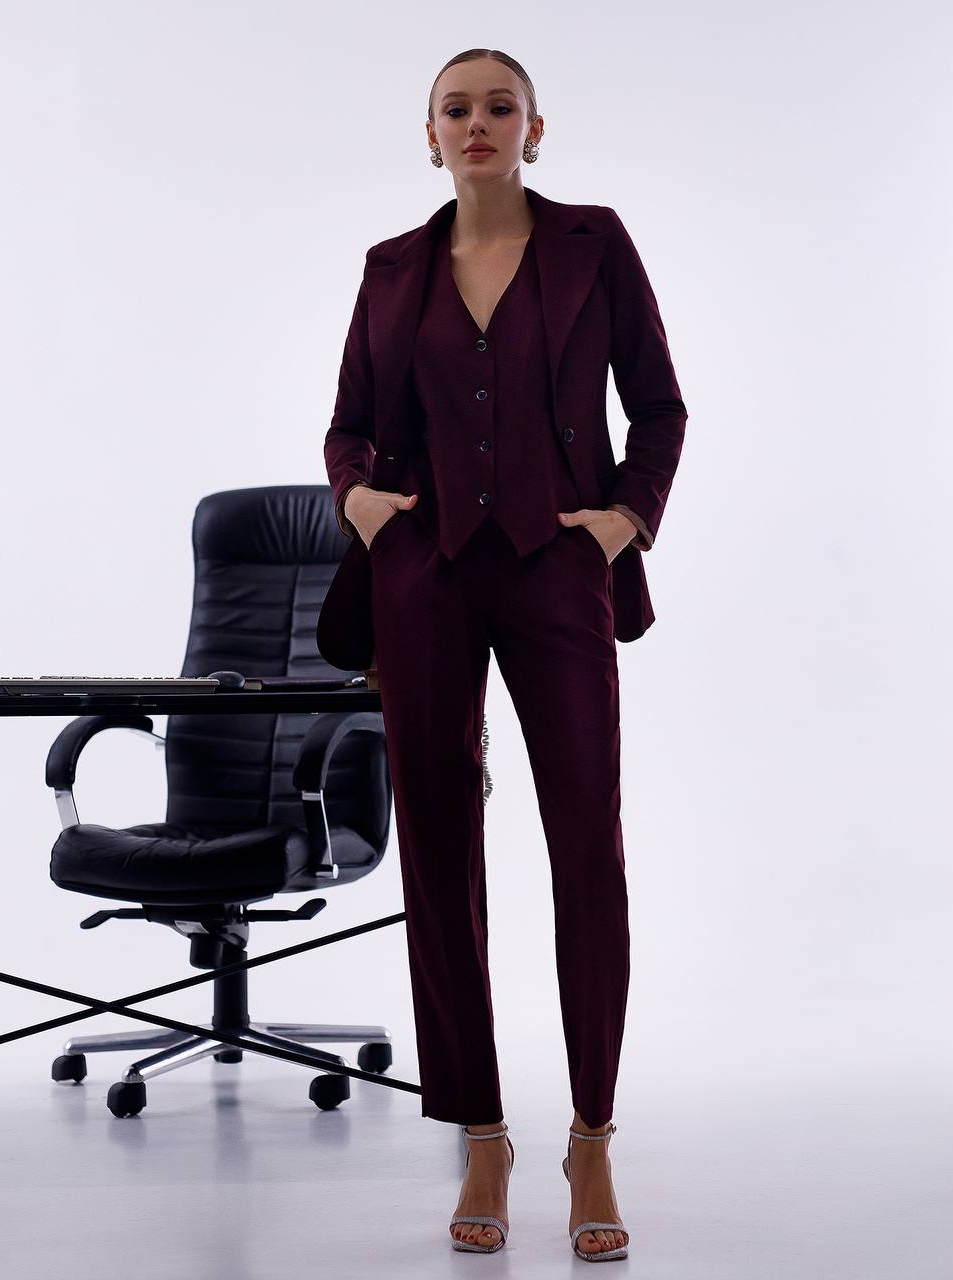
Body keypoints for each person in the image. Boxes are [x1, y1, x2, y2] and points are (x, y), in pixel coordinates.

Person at [323, 47, 688, 1260]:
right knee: (439, 852)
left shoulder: (593, 243)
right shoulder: (391, 266)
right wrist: (360, 499)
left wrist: (625, 517)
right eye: (455, 108)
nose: (476, 122)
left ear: (536, 129)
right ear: (428, 135)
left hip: (555, 567)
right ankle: (481, 1131)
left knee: (588, 843)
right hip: (421, 575)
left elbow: (659, 405)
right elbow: (350, 424)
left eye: (499, 106)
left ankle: (591, 1135)